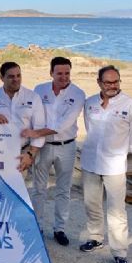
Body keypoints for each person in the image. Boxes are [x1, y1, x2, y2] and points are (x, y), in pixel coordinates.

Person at [79, 65, 132, 263]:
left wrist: (122, 152)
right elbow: (89, 128)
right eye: (108, 82)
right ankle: (95, 238)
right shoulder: (90, 103)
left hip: (114, 166)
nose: (112, 86)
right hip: (90, 162)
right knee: (91, 204)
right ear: (99, 82)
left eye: (116, 81)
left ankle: (119, 253)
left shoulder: (131, 105)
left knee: (117, 211)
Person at [21, 57, 85, 246]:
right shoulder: (40, 90)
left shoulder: (78, 93)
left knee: (63, 190)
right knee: (39, 188)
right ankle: (38, 226)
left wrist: (36, 133)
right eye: (59, 73)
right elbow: (33, 115)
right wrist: (32, 140)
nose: (64, 77)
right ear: (51, 73)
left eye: (67, 73)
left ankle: (59, 229)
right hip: (43, 146)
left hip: (67, 146)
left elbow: (64, 123)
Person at [0, 62, 45, 172]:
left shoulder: (33, 97)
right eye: (11, 76)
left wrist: (30, 154)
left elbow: (39, 129)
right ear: (2, 78)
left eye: (18, 75)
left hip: (23, 154)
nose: (16, 79)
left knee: (20, 183)